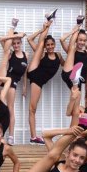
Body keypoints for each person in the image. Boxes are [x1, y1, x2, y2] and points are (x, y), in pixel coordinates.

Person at [27, 17, 64, 145]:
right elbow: (29, 39)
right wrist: (44, 29)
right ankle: (33, 136)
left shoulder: (59, 56)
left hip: (39, 81)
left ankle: (48, 23)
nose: (50, 47)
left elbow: (66, 65)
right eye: (48, 45)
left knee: (33, 109)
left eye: (52, 44)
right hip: (35, 76)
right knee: (32, 109)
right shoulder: (43, 54)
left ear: (55, 45)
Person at [60, 15, 87, 126]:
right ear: (77, 40)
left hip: (77, 82)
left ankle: (71, 133)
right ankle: (78, 24)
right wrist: (75, 30)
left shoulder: (86, 53)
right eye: (80, 40)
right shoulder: (73, 49)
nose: (82, 42)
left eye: (84, 41)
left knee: (75, 110)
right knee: (71, 50)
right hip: (69, 71)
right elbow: (61, 39)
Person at [0, 18, 28, 145]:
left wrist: (25, 86)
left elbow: (25, 72)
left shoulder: (26, 55)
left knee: (10, 109)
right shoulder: (10, 53)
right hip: (6, 80)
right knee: (4, 108)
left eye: (18, 43)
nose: (15, 45)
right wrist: (18, 34)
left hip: (15, 82)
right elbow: (1, 39)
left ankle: (10, 136)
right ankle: (2, 134)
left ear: (21, 43)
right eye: (14, 43)